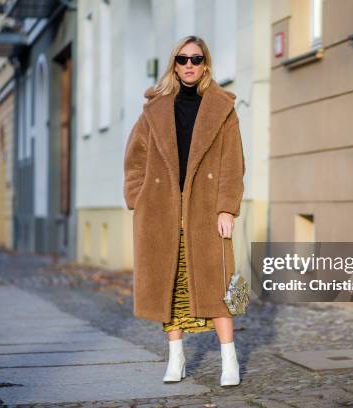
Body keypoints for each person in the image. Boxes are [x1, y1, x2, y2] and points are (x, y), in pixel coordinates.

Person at [123, 35, 245, 386]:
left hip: (206, 211)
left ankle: (229, 360)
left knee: (220, 284)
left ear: (206, 64)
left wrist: (227, 209)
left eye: (196, 59)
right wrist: (137, 199)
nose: (189, 65)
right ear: (173, 64)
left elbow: (233, 164)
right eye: (182, 59)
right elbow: (135, 160)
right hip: (161, 211)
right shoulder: (154, 109)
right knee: (169, 286)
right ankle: (176, 358)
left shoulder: (223, 108)